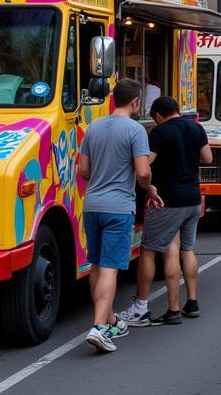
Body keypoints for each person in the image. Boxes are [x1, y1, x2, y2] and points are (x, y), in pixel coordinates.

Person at [78, 78, 161, 353]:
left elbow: (84, 170)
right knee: (111, 267)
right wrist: (147, 187)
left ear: (113, 98)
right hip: (118, 207)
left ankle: (110, 320)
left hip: (92, 205)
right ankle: (99, 328)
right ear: (136, 102)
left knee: (96, 265)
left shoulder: (93, 127)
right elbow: (143, 172)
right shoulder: (136, 130)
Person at [118, 96, 211, 327]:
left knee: (151, 251)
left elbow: (145, 164)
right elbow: (207, 158)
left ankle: (165, 308)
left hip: (167, 199)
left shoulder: (160, 133)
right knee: (186, 250)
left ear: (158, 116)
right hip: (192, 198)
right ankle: (192, 301)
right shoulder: (196, 128)